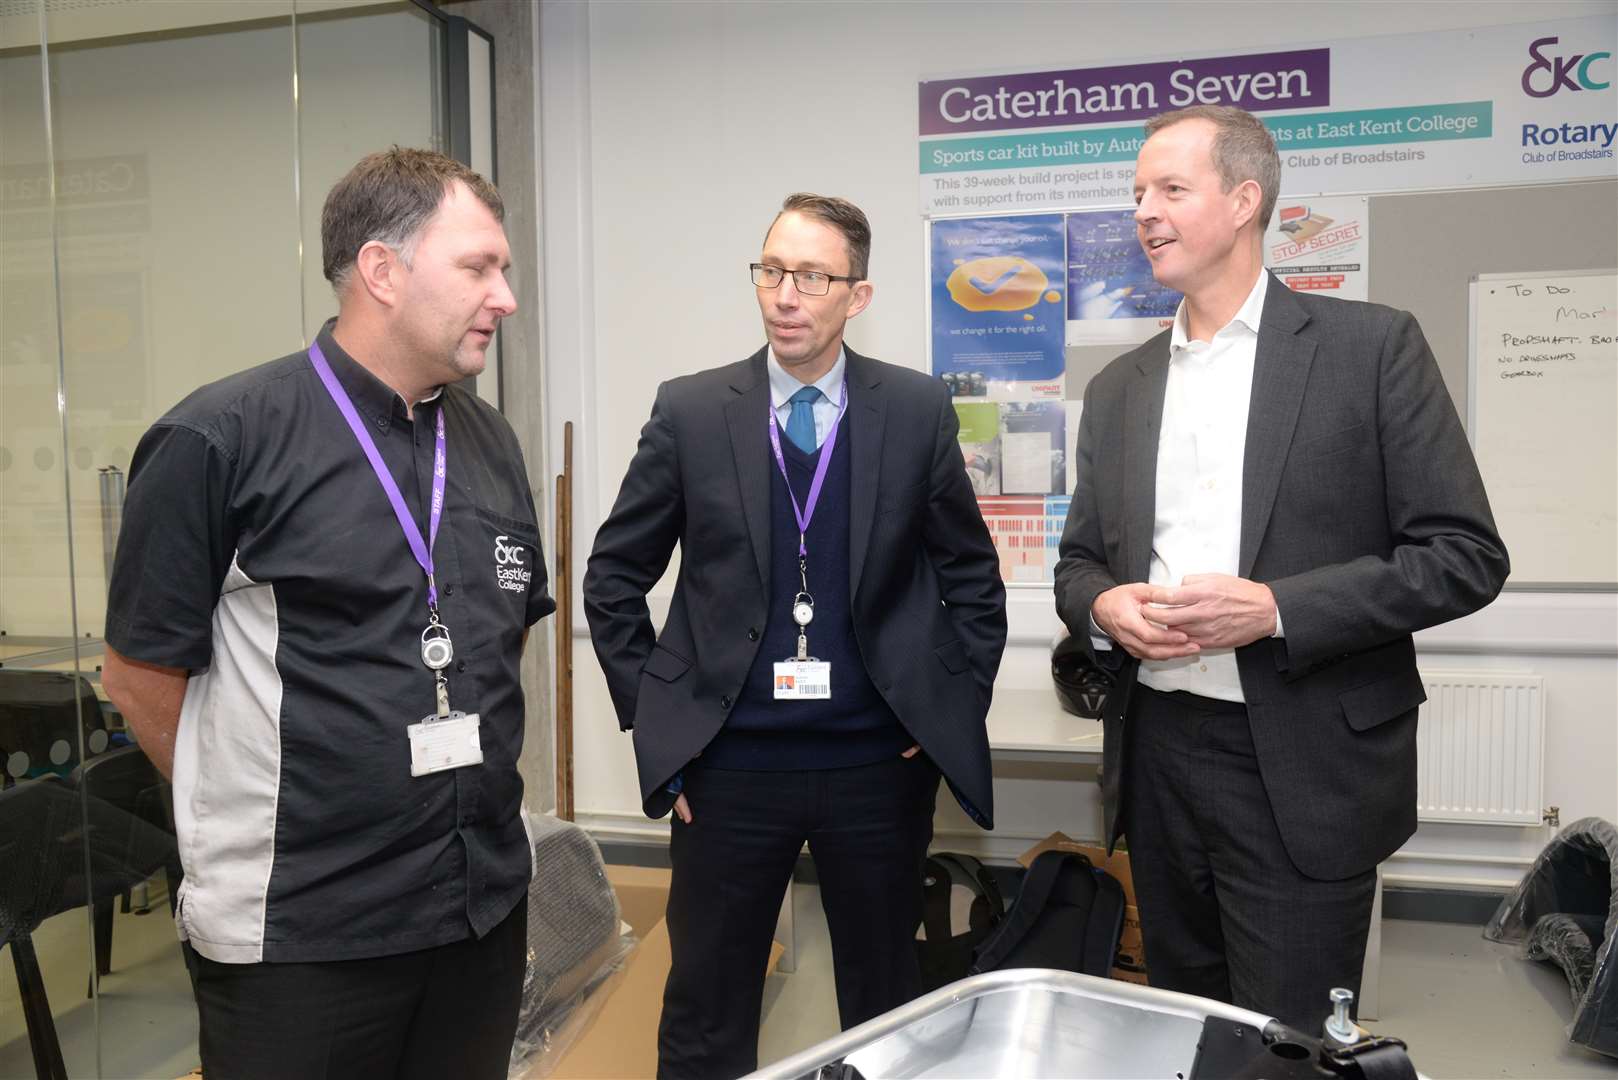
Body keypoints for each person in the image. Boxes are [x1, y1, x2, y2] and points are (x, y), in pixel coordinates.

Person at [101, 147, 554, 1079]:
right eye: (479, 267)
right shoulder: (220, 441)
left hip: (478, 915)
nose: (505, 296)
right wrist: (269, 807)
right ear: (382, 271)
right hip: (303, 937)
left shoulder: (489, 440)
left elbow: (500, 643)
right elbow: (140, 679)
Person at [1054, 105, 1508, 1031]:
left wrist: (1277, 609)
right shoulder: (1117, 389)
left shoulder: (1370, 350)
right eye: (1137, 193)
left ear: (1245, 200)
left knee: (1291, 1043)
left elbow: (1465, 557)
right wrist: (1106, 607)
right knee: (1189, 1029)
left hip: (1304, 762)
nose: (1143, 211)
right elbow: (1077, 564)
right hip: (1160, 756)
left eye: (1170, 189)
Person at [584, 193, 1006, 1079]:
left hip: (875, 771)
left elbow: (970, 579)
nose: (785, 294)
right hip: (728, 772)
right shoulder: (693, 412)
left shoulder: (917, 410)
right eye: (771, 270)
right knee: (706, 1010)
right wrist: (660, 732)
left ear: (857, 295)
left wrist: (939, 719)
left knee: (886, 1011)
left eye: (812, 276)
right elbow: (614, 579)